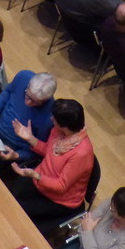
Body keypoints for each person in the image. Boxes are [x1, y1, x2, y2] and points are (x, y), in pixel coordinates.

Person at [8, 98, 94, 230]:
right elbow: (48, 151)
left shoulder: (81, 153)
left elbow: (61, 186)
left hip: (59, 199)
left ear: (65, 126)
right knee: (11, 196)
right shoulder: (58, 131)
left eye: (54, 118)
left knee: (19, 214)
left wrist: (36, 175)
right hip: (41, 179)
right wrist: (30, 138)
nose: (51, 119)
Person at [0, 70, 56, 165]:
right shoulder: (23, 77)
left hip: (10, 144)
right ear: (28, 85)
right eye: (27, 96)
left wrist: (17, 155)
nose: (28, 102)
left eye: (35, 102)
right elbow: (7, 92)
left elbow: (35, 150)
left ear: (45, 100)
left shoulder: (50, 117)